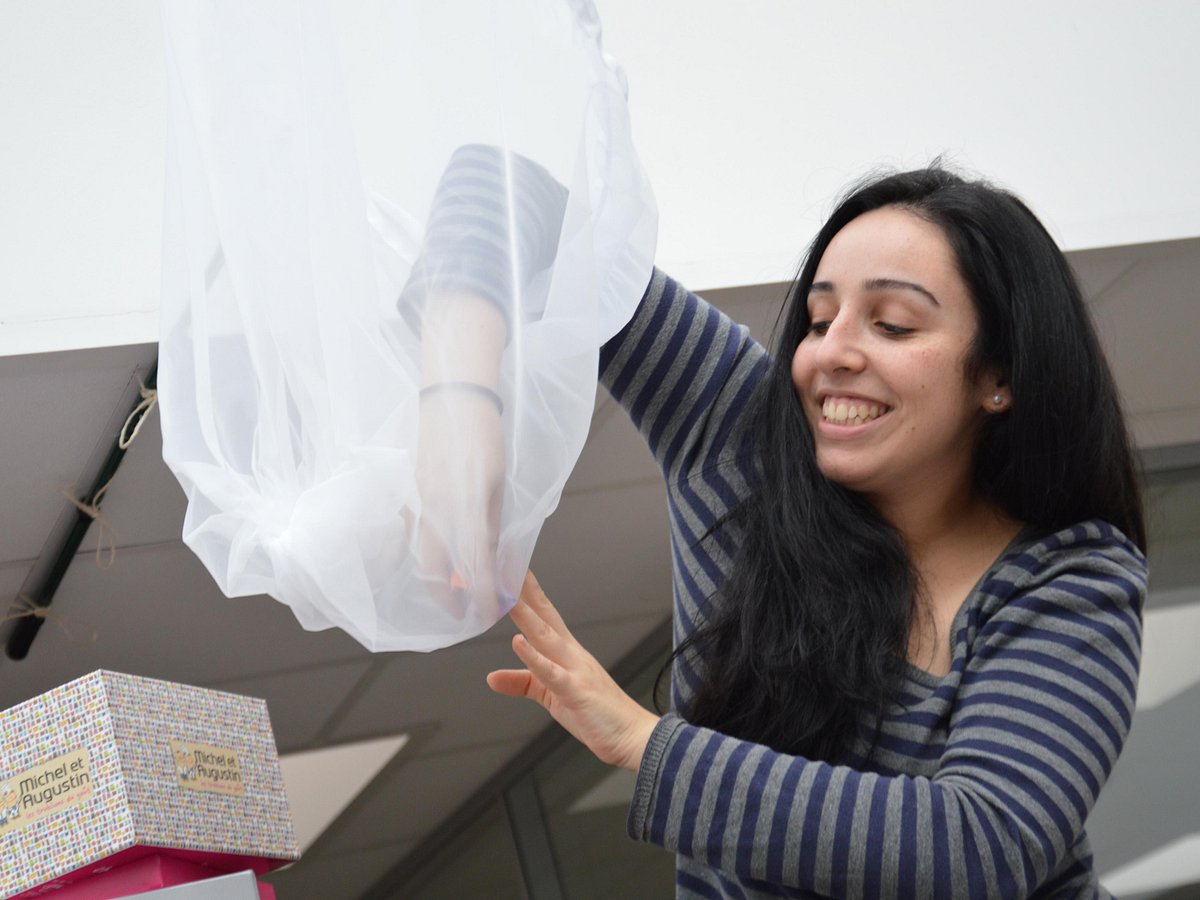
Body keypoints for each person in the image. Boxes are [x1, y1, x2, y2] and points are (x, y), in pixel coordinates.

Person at [478, 164, 1147, 899]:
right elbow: (511, 200)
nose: (831, 352)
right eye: (820, 320)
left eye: (891, 323)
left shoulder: (1069, 577)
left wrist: (646, 744)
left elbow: (981, 843)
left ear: (998, 374)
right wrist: (462, 407)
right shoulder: (742, 442)